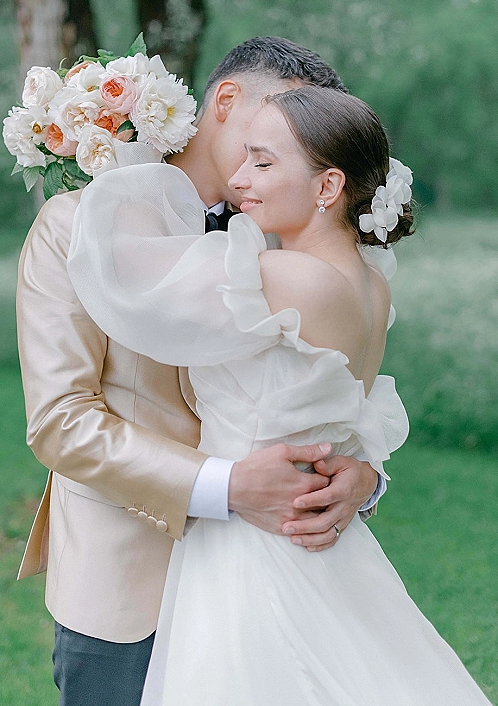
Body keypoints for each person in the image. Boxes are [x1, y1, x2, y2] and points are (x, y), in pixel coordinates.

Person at [68, 84, 491, 705]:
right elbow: (355, 419)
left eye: (263, 163)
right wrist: (367, 476)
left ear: (327, 188)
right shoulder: (372, 284)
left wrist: (123, 143)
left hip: (255, 543)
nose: (238, 178)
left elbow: (124, 268)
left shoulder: (288, 279)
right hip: (318, 540)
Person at [17, 39, 389, 706]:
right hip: (127, 589)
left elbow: (336, 385)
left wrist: (363, 478)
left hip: (268, 585)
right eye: (278, 116)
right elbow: (61, 423)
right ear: (225, 100)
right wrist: (229, 484)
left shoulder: (291, 237)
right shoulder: (79, 226)